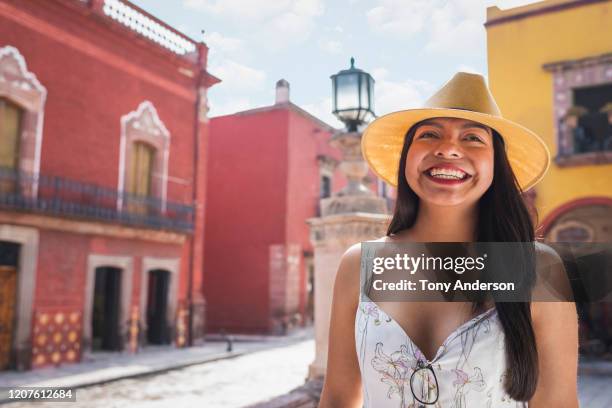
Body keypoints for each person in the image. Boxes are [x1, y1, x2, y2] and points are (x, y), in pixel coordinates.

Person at [318, 72, 579, 407]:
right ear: (407, 157)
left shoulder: (541, 271)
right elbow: (338, 398)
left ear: (496, 165)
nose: (449, 149)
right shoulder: (358, 265)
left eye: (472, 138)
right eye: (430, 134)